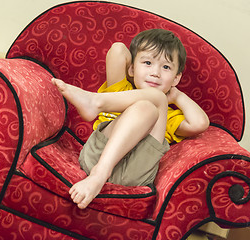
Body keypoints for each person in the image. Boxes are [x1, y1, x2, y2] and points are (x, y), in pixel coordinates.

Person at [51, 29, 209, 209]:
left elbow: (200, 123)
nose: (156, 72)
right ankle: (99, 173)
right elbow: (118, 50)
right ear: (132, 68)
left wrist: (177, 96)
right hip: (96, 157)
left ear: (176, 78)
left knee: (154, 102)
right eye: (148, 63)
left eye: (166, 67)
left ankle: (95, 102)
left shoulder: (167, 115)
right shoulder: (120, 89)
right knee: (150, 102)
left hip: (137, 172)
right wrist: (139, 64)